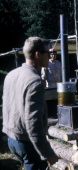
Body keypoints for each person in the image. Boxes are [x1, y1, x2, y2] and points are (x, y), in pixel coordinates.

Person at [2, 37, 58, 169]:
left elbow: (8, 106)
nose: (50, 56)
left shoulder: (11, 74)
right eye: (47, 53)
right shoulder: (35, 81)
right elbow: (33, 125)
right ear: (38, 54)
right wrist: (48, 153)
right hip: (26, 143)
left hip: (11, 139)